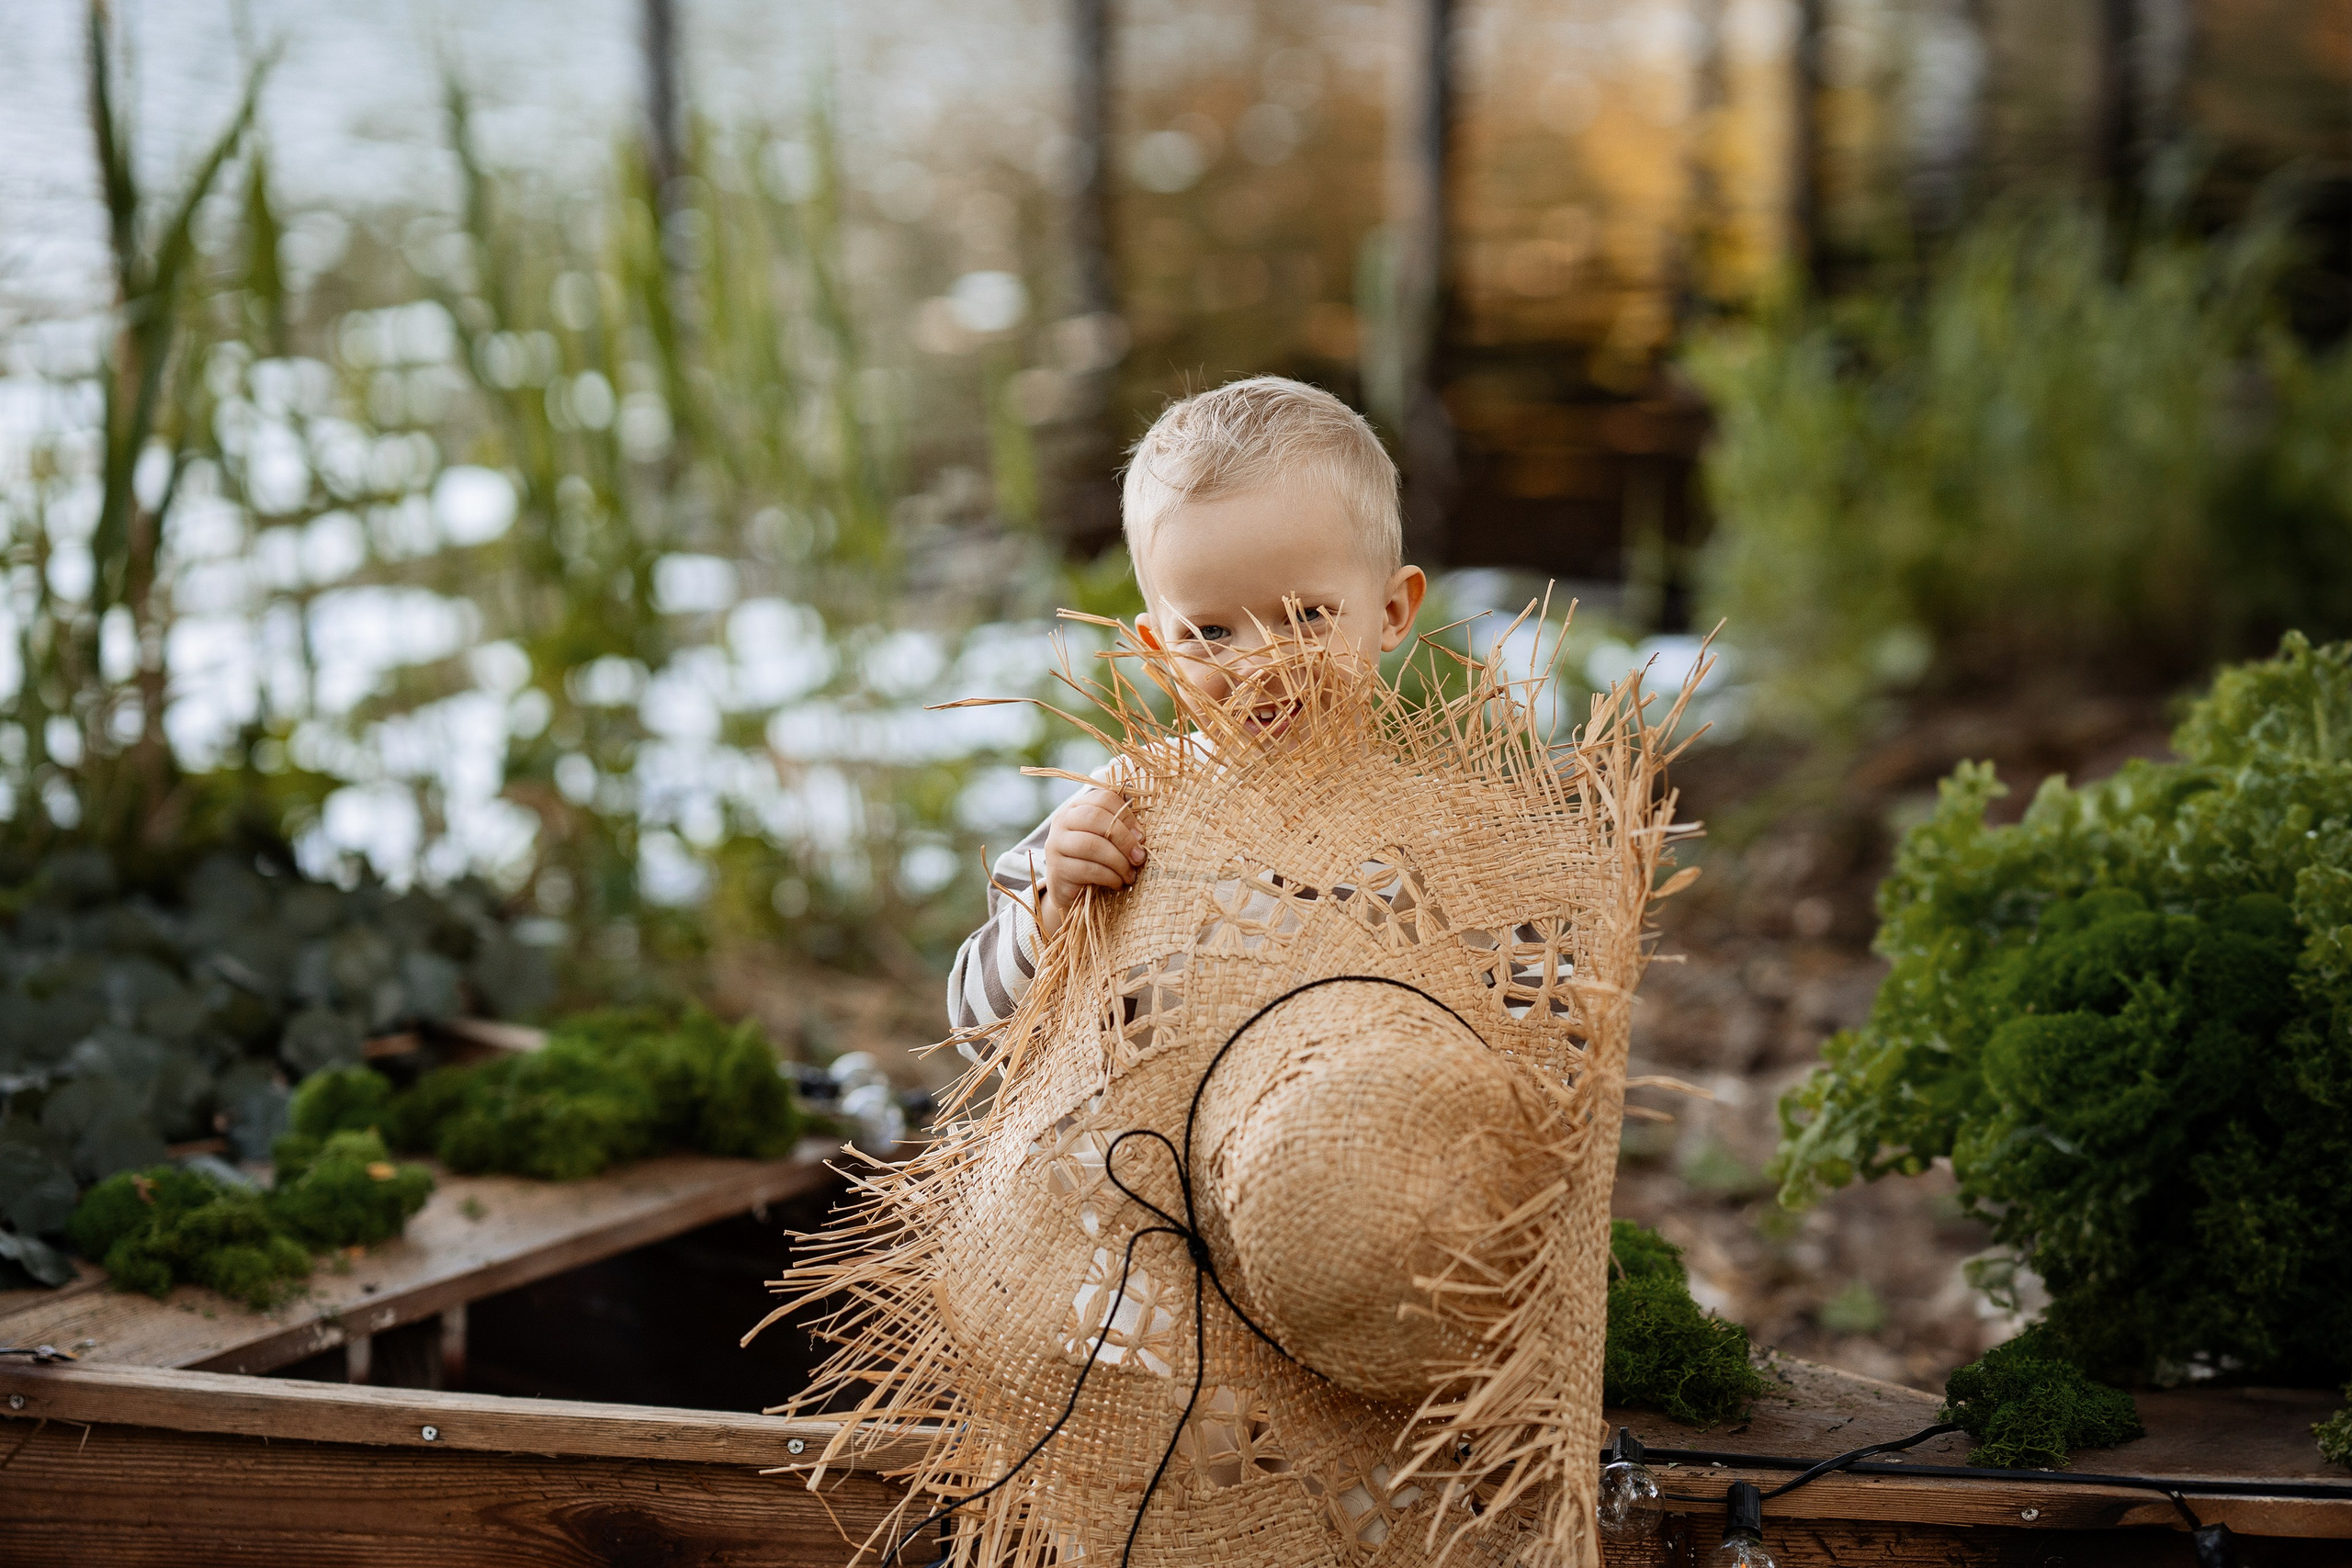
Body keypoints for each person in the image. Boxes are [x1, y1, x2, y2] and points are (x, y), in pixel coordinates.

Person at [946, 376, 1427, 1039]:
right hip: (1158, 1139)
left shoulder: (1437, 837)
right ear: (1158, 649)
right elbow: (976, 1030)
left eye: (1306, 616)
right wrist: (1055, 908)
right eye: (1210, 633)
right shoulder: (1121, 812)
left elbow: (1530, 1020)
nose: (1259, 665)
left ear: (1392, 611)